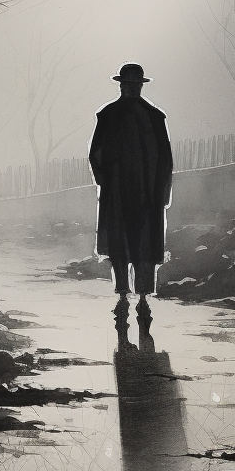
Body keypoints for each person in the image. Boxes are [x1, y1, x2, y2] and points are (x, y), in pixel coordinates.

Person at [88, 62, 173, 319]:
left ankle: (144, 296)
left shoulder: (155, 117)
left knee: (145, 245)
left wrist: (162, 192)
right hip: (118, 193)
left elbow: (166, 160)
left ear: (139, 87)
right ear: (121, 86)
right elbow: (95, 154)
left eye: (135, 86)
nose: (131, 89)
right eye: (128, 85)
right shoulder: (108, 115)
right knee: (119, 245)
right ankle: (123, 293)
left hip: (147, 192)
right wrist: (106, 182)